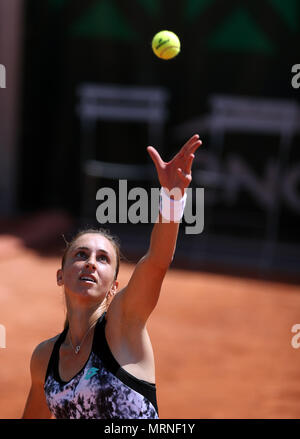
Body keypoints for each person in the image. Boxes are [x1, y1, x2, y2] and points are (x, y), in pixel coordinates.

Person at [22, 134, 202, 419]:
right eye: (81, 255)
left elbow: (156, 261)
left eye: (103, 259)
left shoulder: (123, 323)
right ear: (60, 275)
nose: (91, 263)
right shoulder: (44, 358)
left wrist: (172, 198)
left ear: (114, 286)